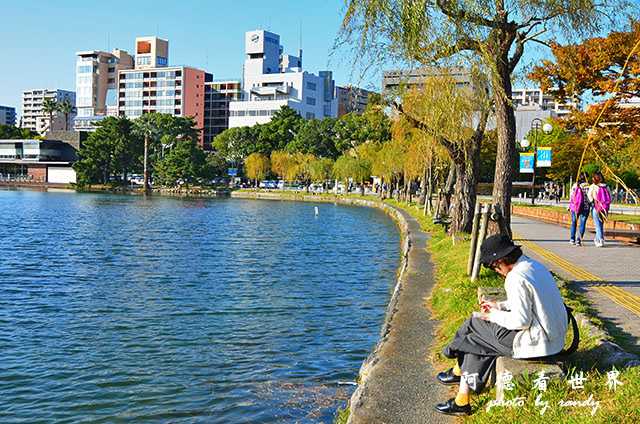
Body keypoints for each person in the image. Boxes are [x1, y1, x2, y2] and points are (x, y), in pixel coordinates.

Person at [434, 234, 568, 416]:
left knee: (474, 327)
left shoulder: (514, 278)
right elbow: (531, 302)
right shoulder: (534, 266)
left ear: (502, 259)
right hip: (554, 339)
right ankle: (461, 396)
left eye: (494, 266)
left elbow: (521, 321)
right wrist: (501, 306)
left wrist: (494, 316)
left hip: (536, 344)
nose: (495, 270)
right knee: (477, 340)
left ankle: (454, 359)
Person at [587, 171, 612, 247]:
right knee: (600, 224)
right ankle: (597, 239)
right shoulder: (606, 187)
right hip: (605, 208)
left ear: (594, 178)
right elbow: (610, 197)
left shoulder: (593, 186)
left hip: (596, 208)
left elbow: (589, 199)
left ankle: (600, 239)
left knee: (597, 225)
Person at [568, 172, 591, 246]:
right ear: (587, 178)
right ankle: (579, 240)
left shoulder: (575, 185)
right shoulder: (588, 186)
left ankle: (572, 239)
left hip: (575, 207)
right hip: (585, 207)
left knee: (574, 223)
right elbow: (590, 199)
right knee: (582, 224)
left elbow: (571, 196)